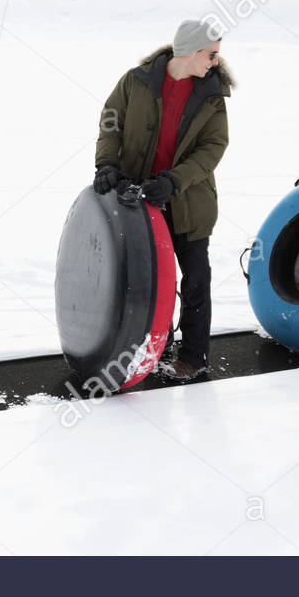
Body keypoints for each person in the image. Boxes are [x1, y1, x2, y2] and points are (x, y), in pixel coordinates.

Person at [93, 19, 232, 381]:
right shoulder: (135, 81)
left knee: (196, 277)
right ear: (189, 50)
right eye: (211, 54)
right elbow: (111, 122)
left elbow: (212, 148)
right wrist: (107, 164)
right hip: (138, 202)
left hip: (188, 202)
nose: (216, 62)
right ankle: (154, 346)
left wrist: (174, 181)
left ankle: (193, 357)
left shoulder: (212, 95)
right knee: (151, 280)